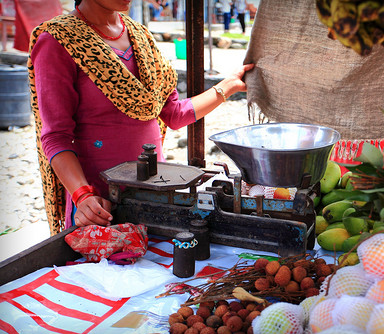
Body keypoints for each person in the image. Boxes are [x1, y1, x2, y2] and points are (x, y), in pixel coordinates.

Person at [28, 0, 254, 235]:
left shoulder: (141, 36)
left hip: (155, 191)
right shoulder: (58, 40)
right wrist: (82, 196)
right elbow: (56, 136)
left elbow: (174, 114)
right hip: (100, 203)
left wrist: (227, 87)